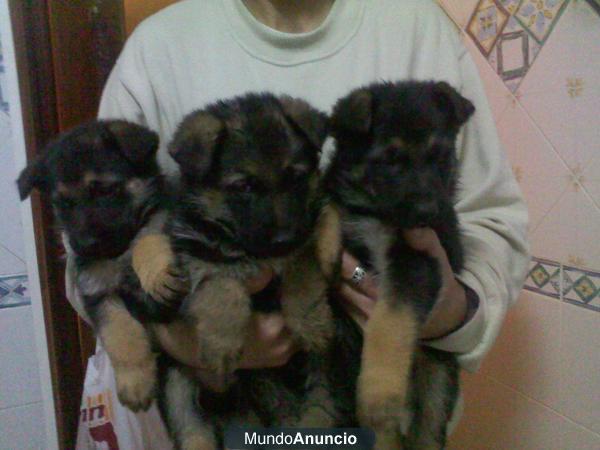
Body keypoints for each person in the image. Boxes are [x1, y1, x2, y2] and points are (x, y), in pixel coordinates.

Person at [71, 0, 529, 433]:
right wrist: (178, 340)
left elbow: (492, 220)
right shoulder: (157, 49)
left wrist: (456, 311)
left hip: (387, 420)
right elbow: (91, 256)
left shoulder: (418, 26)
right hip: (225, 422)